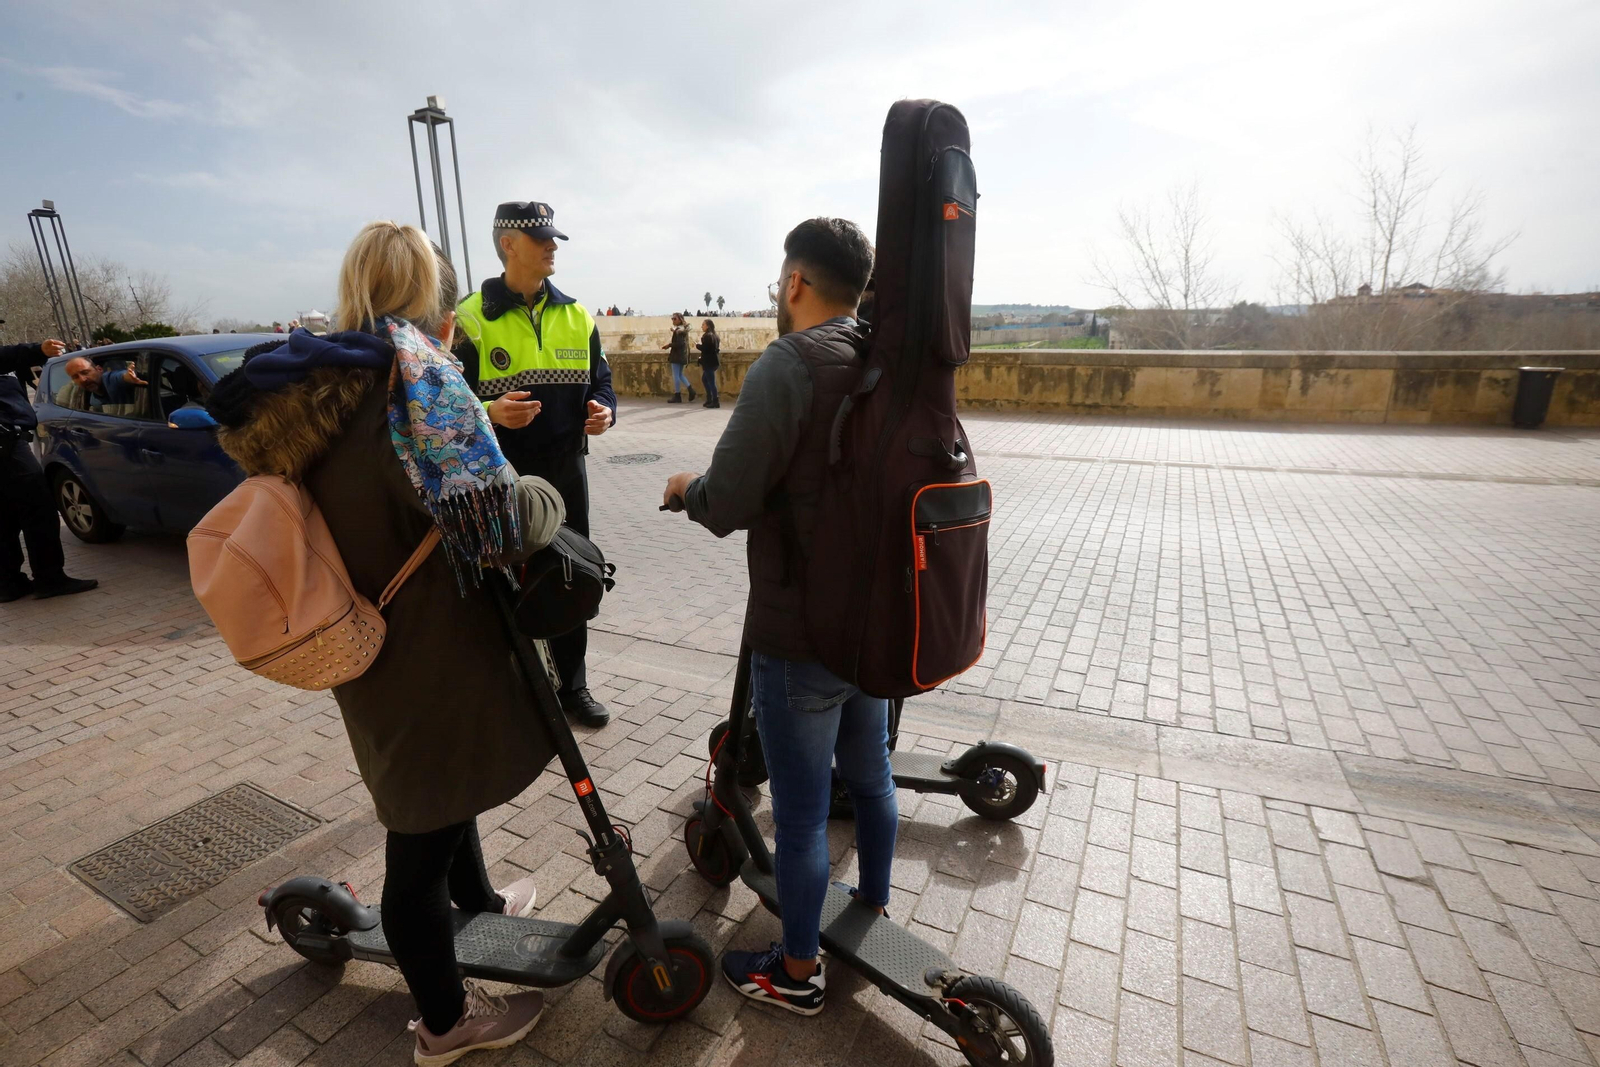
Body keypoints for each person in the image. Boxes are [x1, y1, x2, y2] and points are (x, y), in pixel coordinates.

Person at [207, 223, 565, 1063]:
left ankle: (479, 902)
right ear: (427, 289)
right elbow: (500, 517)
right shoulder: (414, 380)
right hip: (434, 638)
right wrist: (544, 493)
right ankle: (445, 1024)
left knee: (435, 787)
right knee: (417, 844)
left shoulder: (317, 383)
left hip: (362, 631)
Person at [662, 218, 886, 1016]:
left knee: (797, 817)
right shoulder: (885, 356)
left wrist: (686, 486)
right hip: (878, 625)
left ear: (794, 282)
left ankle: (797, 973)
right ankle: (873, 901)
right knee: (871, 773)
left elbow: (729, 500)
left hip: (801, 633)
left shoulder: (788, 364)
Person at [453, 201, 617, 729]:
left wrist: (603, 410)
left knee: (572, 575)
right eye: (541, 238)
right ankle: (514, 693)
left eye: (554, 239)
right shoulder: (468, 317)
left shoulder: (577, 315)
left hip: (568, 473)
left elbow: (603, 383)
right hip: (502, 477)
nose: (552, 247)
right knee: (500, 585)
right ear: (508, 245)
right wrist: (489, 412)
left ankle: (573, 687)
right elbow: (443, 406)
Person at [1, 336, 99, 602]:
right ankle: (49, 578)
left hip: (11, 442)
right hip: (6, 444)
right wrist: (36, 350)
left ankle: (9, 582)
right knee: (40, 509)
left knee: (7, 514)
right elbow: (12, 355)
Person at [65, 356, 146, 408]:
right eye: (75, 377)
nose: (82, 379)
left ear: (99, 369)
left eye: (85, 372)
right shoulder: (93, 400)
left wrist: (129, 376)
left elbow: (118, 377)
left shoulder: (109, 379)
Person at [662, 313, 694, 404]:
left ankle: (677, 395)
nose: (673, 320)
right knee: (680, 375)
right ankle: (691, 390)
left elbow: (679, 343)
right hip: (682, 355)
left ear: (680, 319)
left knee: (676, 376)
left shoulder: (679, 330)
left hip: (677, 356)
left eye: (675, 319)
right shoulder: (682, 329)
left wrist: (669, 345)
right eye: (672, 319)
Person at [695, 319, 720, 408]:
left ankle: (715, 401)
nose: (702, 326)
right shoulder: (715, 335)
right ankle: (709, 399)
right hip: (714, 361)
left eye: (703, 325)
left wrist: (697, 346)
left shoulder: (707, 336)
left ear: (708, 326)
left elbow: (706, 349)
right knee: (705, 379)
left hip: (709, 362)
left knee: (711, 382)